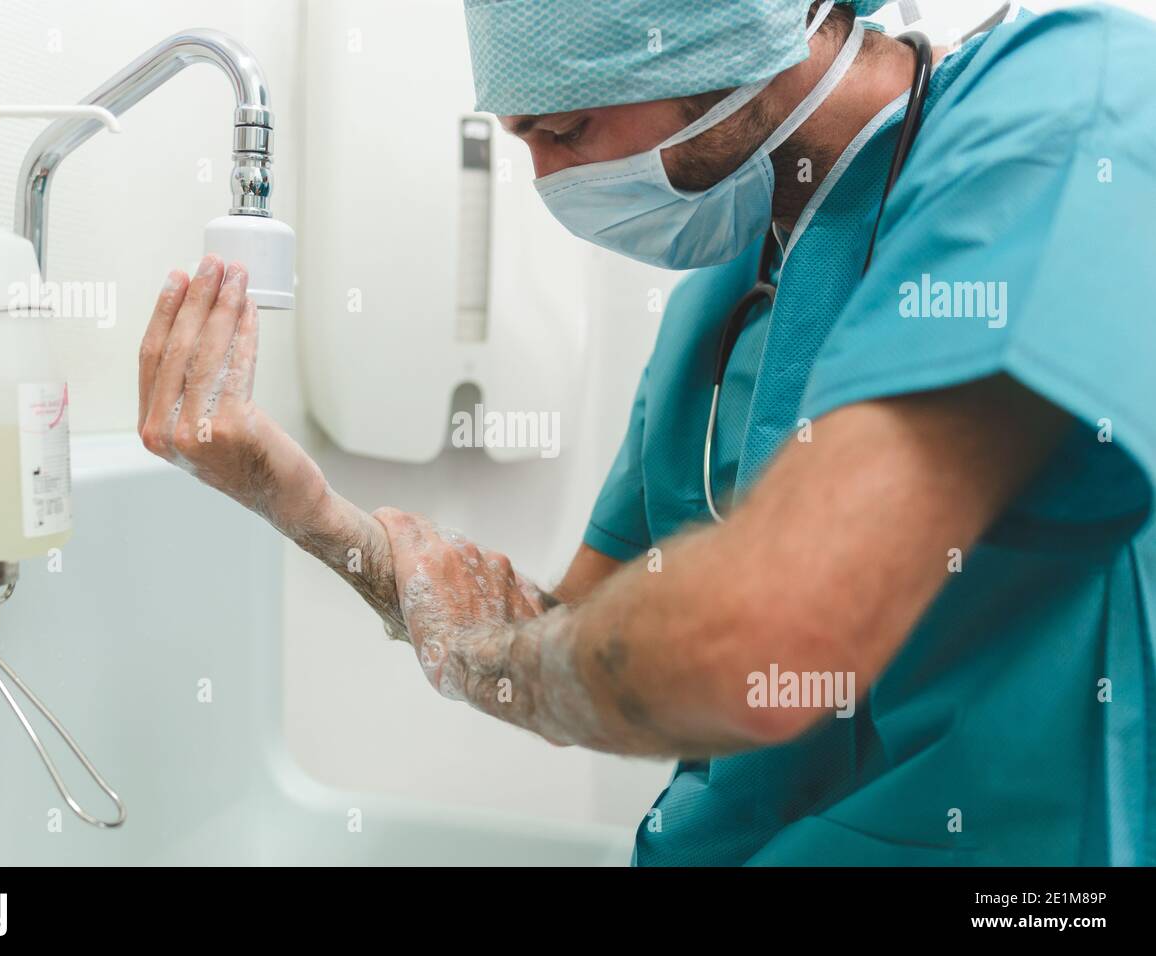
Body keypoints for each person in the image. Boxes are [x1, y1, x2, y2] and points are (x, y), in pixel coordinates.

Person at [136, 1, 1156, 865]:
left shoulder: (1067, 105)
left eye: (566, 131)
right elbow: (566, 625)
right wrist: (307, 507)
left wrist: (546, 660)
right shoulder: (720, 294)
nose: (542, 181)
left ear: (712, 37)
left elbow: (751, 637)